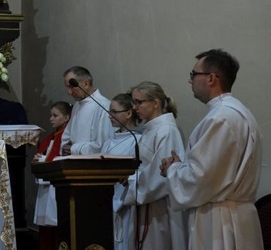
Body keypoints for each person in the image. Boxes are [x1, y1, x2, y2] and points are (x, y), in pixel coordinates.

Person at [160, 49, 263, 249]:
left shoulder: (221, 118)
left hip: (220, 222)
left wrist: (171, 170)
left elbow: (202, 179)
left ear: (211, 78)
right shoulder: (237, 111)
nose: (190, 81)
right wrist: (183, 166)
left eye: (193, 75)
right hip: (235, 216)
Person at [122, 81, 187, 250]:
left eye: (139, 102)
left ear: (155, 103)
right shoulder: (150, 129)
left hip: (159, 207)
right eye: (134, 102)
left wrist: (130, 181)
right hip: (147, 203)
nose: (135, 107)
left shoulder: (166, 130)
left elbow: (160, 175)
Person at [101, 93, 140, 250]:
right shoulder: (109, 141)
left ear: (129, 113)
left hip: (124, 202)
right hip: (106, 200)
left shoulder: (136, 140)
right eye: (109, 111)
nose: (110, 116)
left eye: (115, 112)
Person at [32, 101, 71, 250]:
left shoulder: (66, 137)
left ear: (66, 117)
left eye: (55, 115)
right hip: (45, 187)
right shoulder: (52, 137)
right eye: (51, 115)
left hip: (56, 186)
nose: (51, 119)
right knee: (45, 227)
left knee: (55, 225)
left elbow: (61, 159)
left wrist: (41, 160)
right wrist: (38, 158)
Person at [60, 66, 113, 155]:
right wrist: (65, 147)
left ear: (86, 84)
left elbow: (104, 144)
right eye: (67, 87)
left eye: (72, 87)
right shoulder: (77, 105)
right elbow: (67, 136)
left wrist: (74, 149)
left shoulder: (103, 106)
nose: (69, 92)